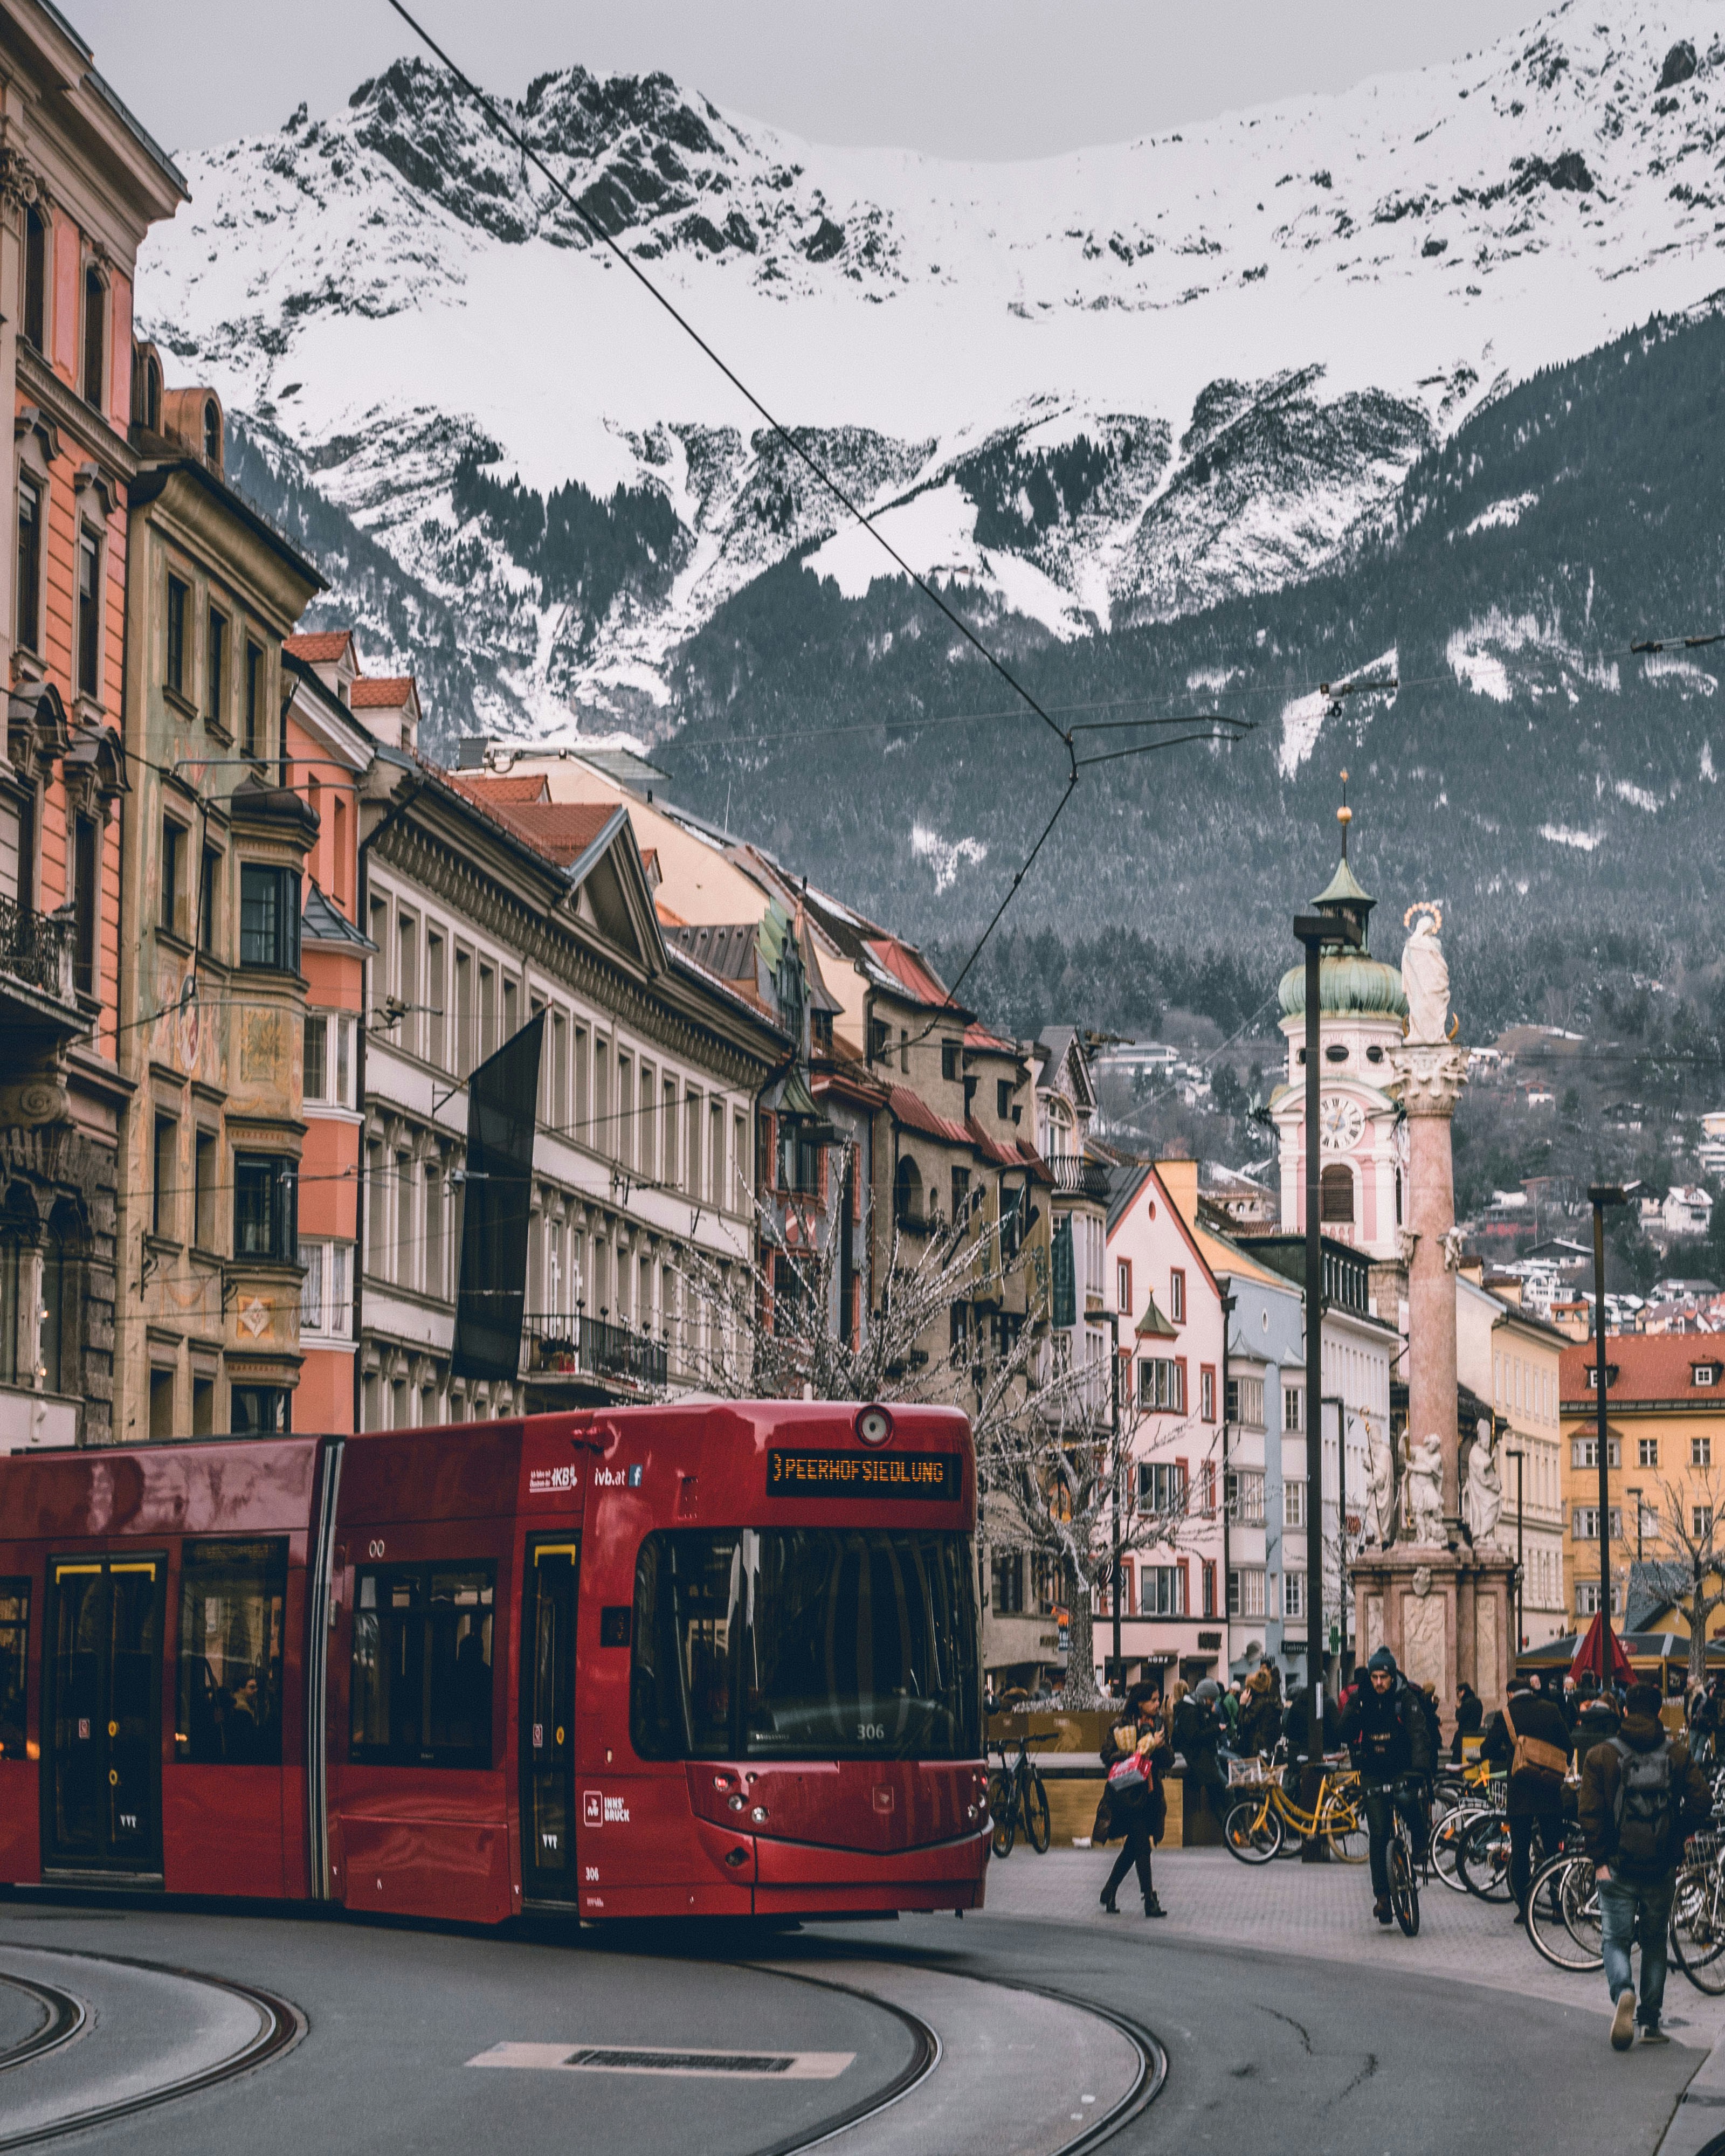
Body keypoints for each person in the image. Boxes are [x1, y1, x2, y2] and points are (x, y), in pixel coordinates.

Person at [1579, 1679, 1711, 2049]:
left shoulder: (1601, 1754)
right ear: (1657, 1711)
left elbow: (1589, 1813)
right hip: (1661, 1868)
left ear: (1624, 1710)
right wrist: (1677, 1838)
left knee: (1615, 1940)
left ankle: (1623, 1991)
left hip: (1617, 1867)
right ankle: (1650, 2024)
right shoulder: (1678, 1753)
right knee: (1655, 1942)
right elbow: (1702, 1801)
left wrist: (1600, 1860)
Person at [1339, 1646, 1433, 1926]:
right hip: (1372, 1769)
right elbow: (1343, 1733)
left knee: (1406, 1800)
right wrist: (1352, 1712)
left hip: (1401, 1766)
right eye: (1374, 1677)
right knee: (1379, 1833)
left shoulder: (1405, 1698)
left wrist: (1419, 1770)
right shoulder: (1360, 1698)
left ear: (1392, 1676)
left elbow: (1419, 1734)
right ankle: (1382, 1896)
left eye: (1384, 1677)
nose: (1379, 1683)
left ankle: (1419, 1839)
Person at [1478, 1671, 1570, 1919]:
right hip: (1549, 1788)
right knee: (1554, 1849)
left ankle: (1524, 1906)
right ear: (1531, 1690)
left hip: (1520, 1790)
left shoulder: (1506, 1715)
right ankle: (1558, 1904)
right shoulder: (1551, 1709)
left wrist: (1510, 1757)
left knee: (1520, 1849)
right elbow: (1567, 1746)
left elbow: (1486, 1749)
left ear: (1510, 1694)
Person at [1099, 1683, 1170, 1917]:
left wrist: (1157, 1747)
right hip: (1127, 1796)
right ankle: (1150, 1899)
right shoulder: (1121, 1725)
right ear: (1140, 1703)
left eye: (1158, 1699)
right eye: (1153, 1700)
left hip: (1150, 1795)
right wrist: (1136, 1754)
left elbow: (1169, 1760)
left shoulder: (1159, 1725)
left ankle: (1109, 1890)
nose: (1158, 1704)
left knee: (1134, 1847)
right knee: (1143, 1846)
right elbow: (1107, 1755)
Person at [1174, 1677, 1227, 1830]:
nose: (1213, 1703)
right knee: (1221, 1791)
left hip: (1203, 1758)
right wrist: (1218, 1729)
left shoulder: (1196, 1709)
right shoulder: (1190, 1712)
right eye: (1211, 1700)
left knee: (1219, 1792)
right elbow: (1196, 1736)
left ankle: (1231, 1830)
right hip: (1199, 1760)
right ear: (1205, 1698)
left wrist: (1214, 1719)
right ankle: (1230, 1831)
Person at [1237, 1664, 1281, 1759]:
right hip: (1267, 1749)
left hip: (1255, 1750)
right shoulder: (1271, 1701)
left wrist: (1242, 1704)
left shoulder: (1259, 1704)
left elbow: (1242, 1726)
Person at [1451, 1680, 1484, 1763]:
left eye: (1458, 1693)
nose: (1458, 1696)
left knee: (1459, 1759)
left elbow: (1459, 1718)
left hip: (1464, 1735)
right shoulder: (1478, 1701)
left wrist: (1458, 1708)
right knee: (1470, 1758)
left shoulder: (1466, 1703)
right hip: (1475, 1733)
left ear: (1463, 1692)